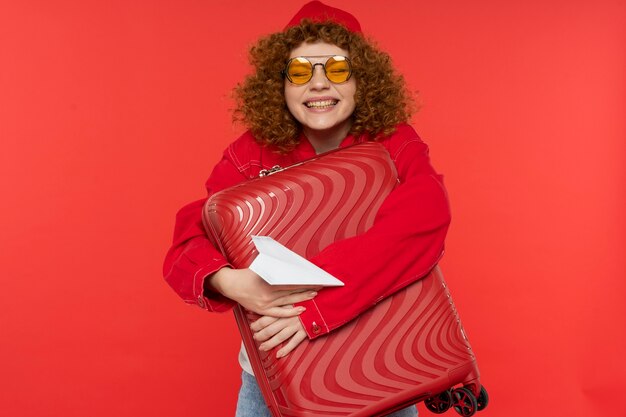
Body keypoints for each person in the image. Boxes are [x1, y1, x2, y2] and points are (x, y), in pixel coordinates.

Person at [163, 2, 451, 416]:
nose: (318, 84)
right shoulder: (251, 153)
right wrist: (231, 283)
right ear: (279, 85)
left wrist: (316, 309)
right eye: (300, 72)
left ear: (361, 81)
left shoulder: (393, 142)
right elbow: (190, 238)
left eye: (336, 69)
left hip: (382, 369)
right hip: (279, 379)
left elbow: (422, 221)